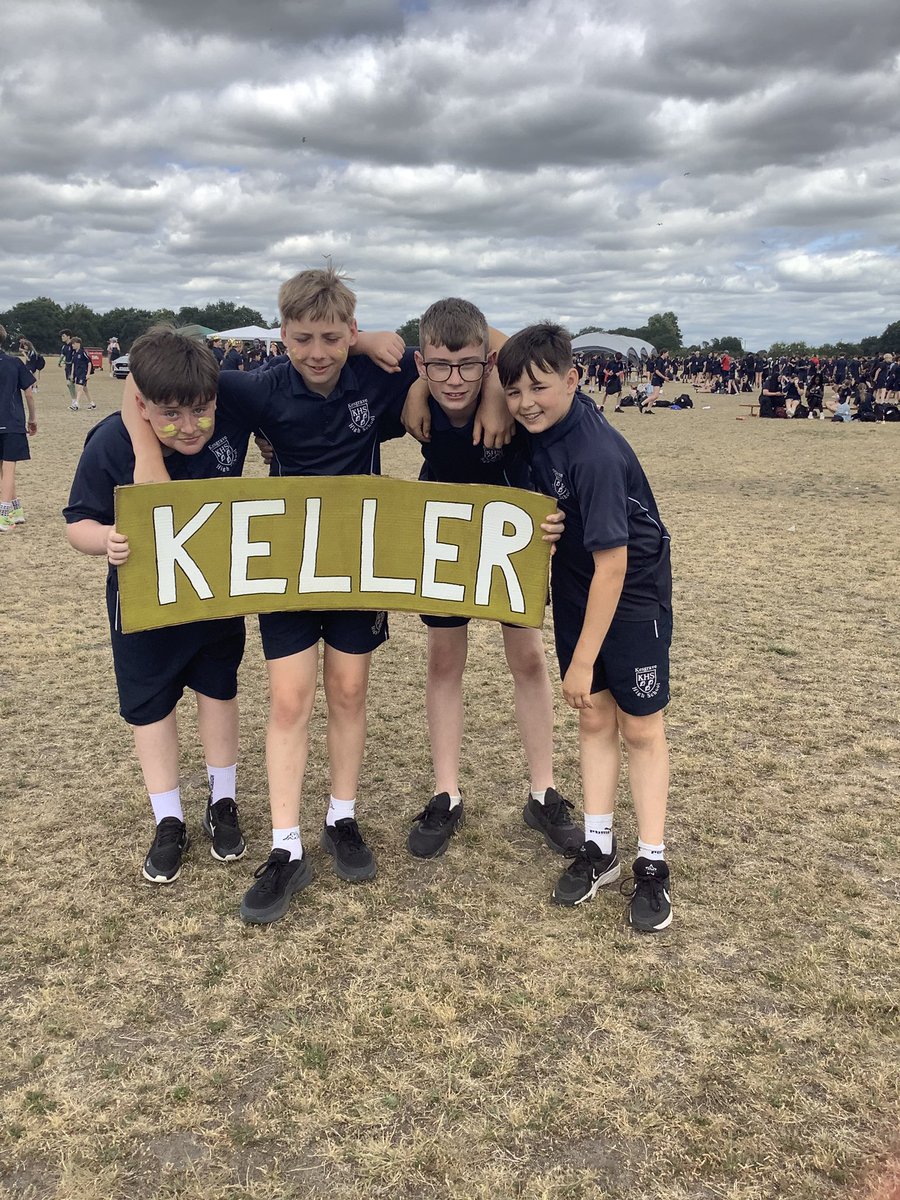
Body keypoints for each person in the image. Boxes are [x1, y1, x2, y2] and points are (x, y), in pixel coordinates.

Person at [120, 268, 450, 923]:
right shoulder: (255, 387)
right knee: (291, 698)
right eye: (303, 338)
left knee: (350, 691)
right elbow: (142, 379)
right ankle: (285, 845)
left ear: (350, 331)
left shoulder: (376, 377)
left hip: (360, 568)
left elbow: (458, 363)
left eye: (333, 337)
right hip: (286, 570)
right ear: (282, 334)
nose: (318, 351)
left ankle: (342, 817)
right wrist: (141, 439)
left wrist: (370, 347)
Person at [498, 322, 674, 933]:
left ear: (574, 379)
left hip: (630, 597)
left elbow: (615, 564)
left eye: (540, 387)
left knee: (642, 728)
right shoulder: (531, 432)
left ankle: (652, 863)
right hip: (578, 590)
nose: (525, 403)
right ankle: (598, 845)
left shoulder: (594, 452)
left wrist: (578, 660)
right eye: (514, 392)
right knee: (594, 717)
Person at [63, 327, 251, 884]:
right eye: (171, 414)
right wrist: (106, 540)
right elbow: (77, 522)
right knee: (151, 709)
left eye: (200, 411)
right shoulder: (110, 443)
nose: (189, 426)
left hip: (215, 600)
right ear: (142, 406)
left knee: (219, 692)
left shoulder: (230, 420)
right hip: (144, 607)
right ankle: (168, 819)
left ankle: (223, 802)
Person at [405, 298, 579, 860]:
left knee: (527, 659)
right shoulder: (420, 392)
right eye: (437, 368)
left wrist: (500, 392)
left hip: (512, 529)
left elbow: (512, 345)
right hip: (446, 532)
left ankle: (543, 790)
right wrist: (415, 389)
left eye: (469, 367)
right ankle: (446, 793)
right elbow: (382, 352)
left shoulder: (509, 390)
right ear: (421, 365)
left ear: (488, 362)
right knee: (443, 661)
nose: (452, 380)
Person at [0, 324, 37, 532]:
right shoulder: (14, 363)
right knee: (9, 469)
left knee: (3, 470)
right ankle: (11, 511)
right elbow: (29, 393)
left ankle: (7, 514)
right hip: (12, 422)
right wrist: (32, 419)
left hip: (9, 424)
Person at [69, 336, 96, 411]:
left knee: (79, 388)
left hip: (83, 373)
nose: (72, 345)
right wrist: (72, 374)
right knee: (85, 389)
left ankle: (76, 404)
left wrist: (88, 374)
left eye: (73, 344)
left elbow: (89, 363)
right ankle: (92, 404)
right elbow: (73, 364)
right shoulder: (74, 353)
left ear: (78, 344)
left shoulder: (83, 352)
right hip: (77, 373)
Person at [59, 329, 78, 407]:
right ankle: (74, 400)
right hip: (67, 367)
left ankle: (75, 401)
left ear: (68, 336)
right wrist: (60, 362)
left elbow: (75, 357)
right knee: (68, 384)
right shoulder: (64, 347)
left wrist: (71, 363)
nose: (62, 337)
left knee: (71, 383)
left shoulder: (73, 345)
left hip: (73, 367)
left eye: (63, 336)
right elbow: (63, 355)